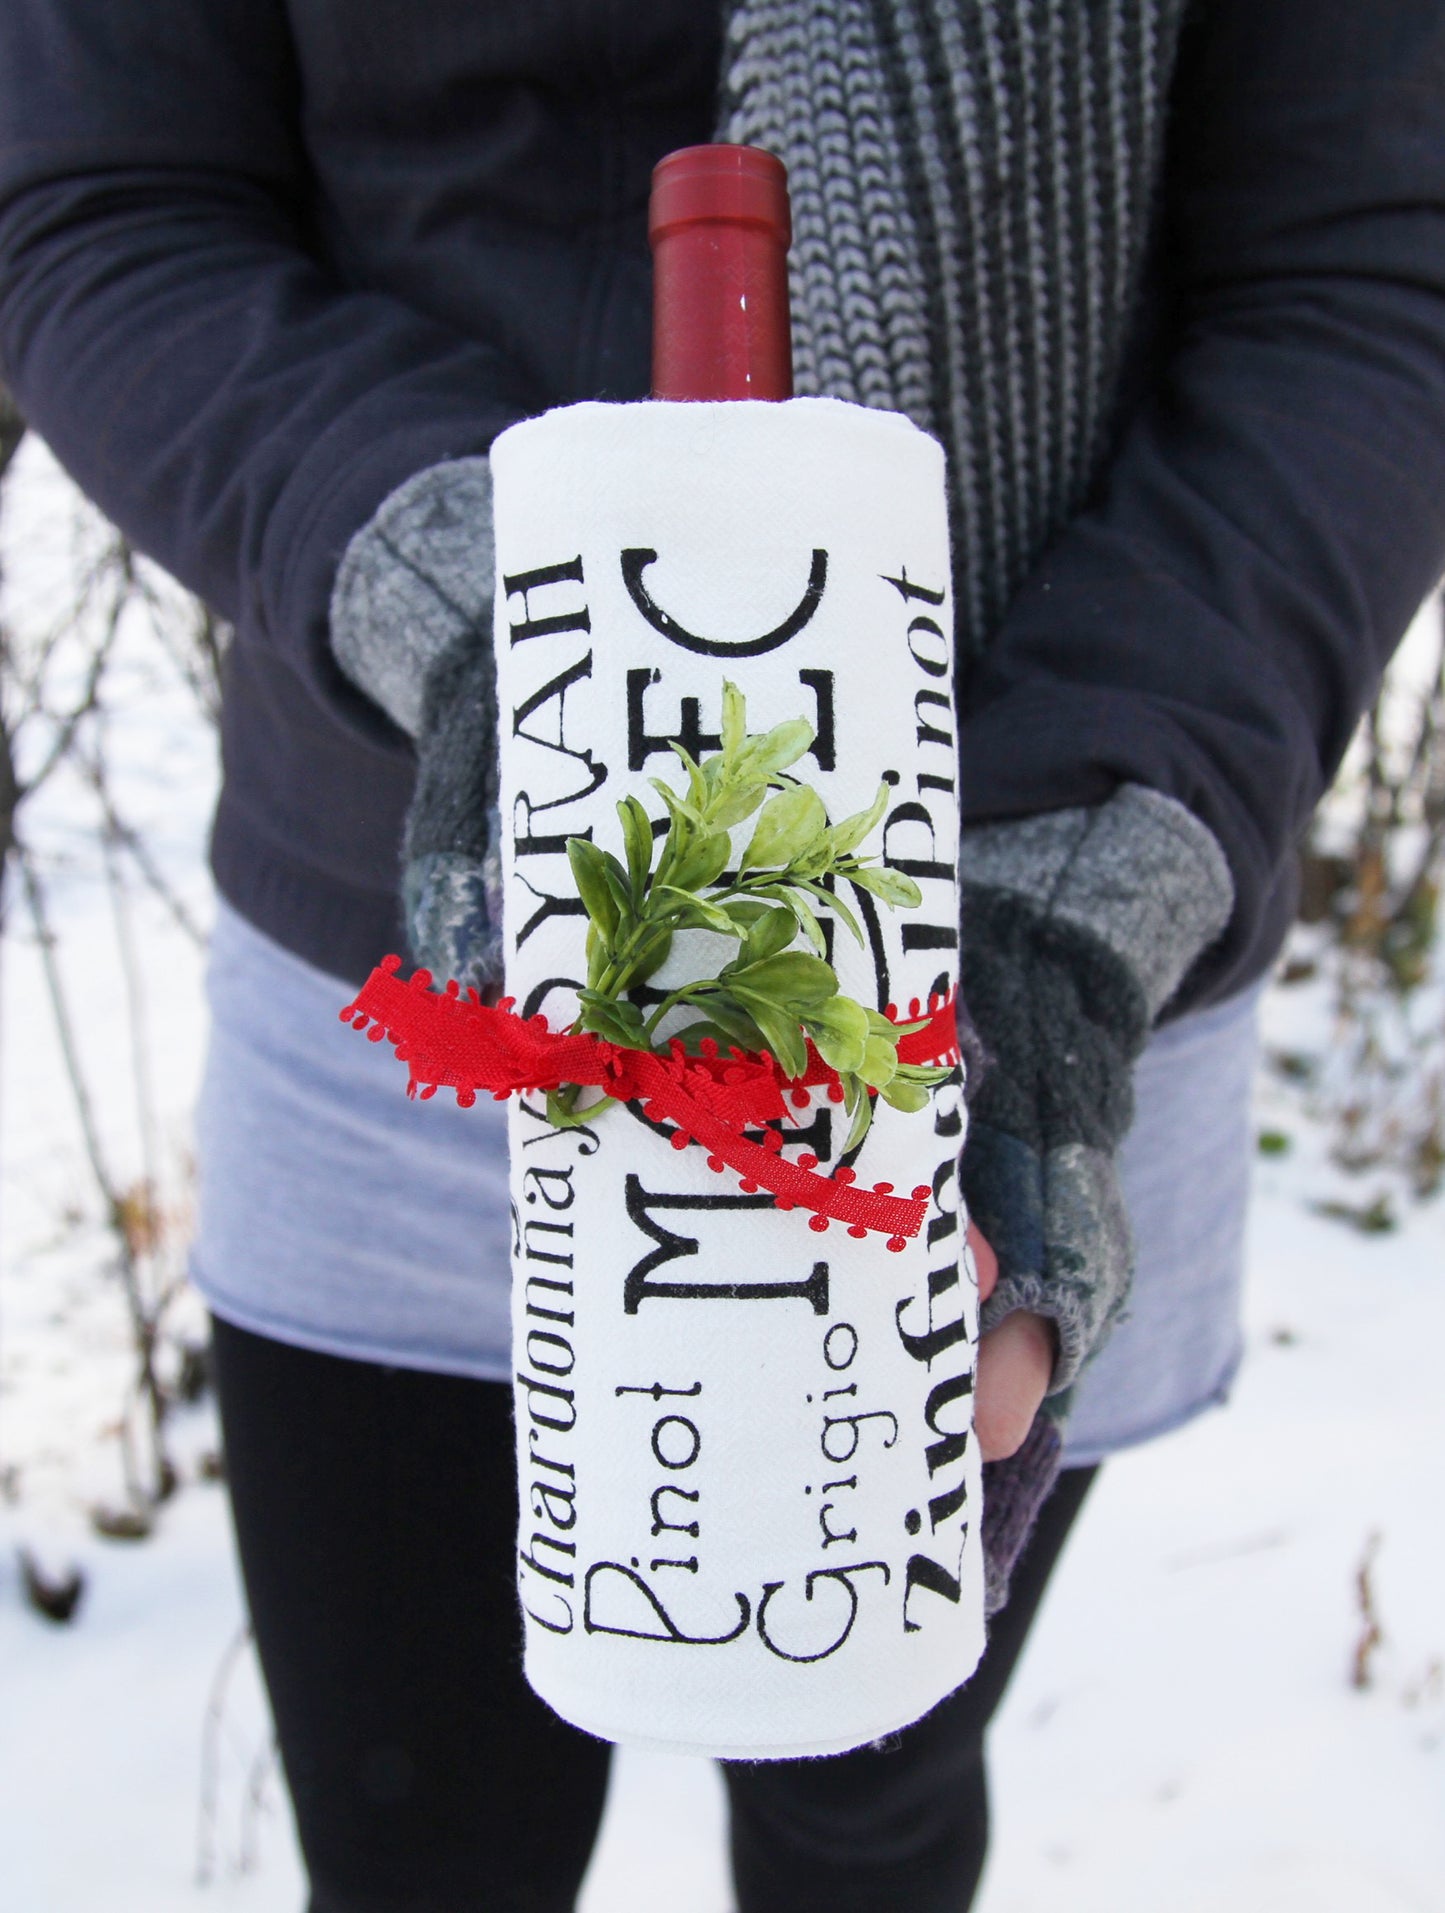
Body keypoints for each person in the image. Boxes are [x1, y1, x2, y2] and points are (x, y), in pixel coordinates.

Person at [2, 3, 1443, 1908]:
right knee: (420, 1828)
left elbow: (1364, 273)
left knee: (873, 1778)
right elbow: (107, 203)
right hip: (432, 975)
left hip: (1033, 980)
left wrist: (1079, 866)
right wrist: (494, 610)